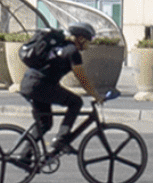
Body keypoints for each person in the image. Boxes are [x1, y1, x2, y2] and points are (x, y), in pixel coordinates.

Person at [18, 24, 98, 158]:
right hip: (39, 85)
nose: (88, 44)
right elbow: (82, 79)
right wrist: (96, 95)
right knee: (76, 102)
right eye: (88, 40)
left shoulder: (60, 46)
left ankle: (24, 155)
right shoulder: (72, 52)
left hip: (30, 84)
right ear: (81, 39)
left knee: (45, 123)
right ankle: (60, 140)